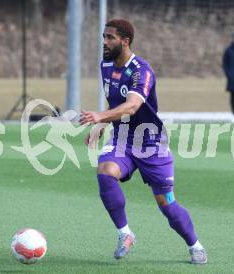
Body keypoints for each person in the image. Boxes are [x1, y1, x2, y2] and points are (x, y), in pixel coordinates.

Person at [79, 19, 207, 264]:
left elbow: (133, 105)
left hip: (151, 143)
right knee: (105, 172)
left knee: (167, 204)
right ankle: (125, 234)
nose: (104, 42)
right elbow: (117, 103)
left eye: (110, 38)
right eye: (103, 37)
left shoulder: (141, 70)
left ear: (125, 41)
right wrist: (101, 125)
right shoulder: (106, 65)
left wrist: (99, 116)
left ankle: (195, 245)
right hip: (122, 139)